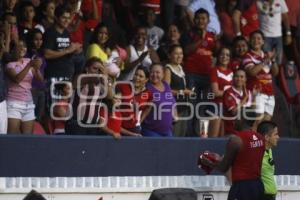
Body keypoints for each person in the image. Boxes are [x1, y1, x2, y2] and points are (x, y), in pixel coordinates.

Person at [200, 110, 265, 200]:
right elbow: (246, 159)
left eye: (237, 117)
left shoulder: (235, 140)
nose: (233, 120)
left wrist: (209, 162)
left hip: (241, 187)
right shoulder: (261, 139)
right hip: (258, 186)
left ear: (242, 120)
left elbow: (224, 167)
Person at [242, 30, 279, 130]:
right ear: (249, 41)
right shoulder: (247, 56)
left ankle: (263, 145)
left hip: (270, 94)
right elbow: (252, 72)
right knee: (257, 121)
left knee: (266, 124)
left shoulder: (266, 54)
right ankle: (252, 144)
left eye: (259, 38)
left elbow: (275, 72)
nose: (256, 41)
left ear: (263, 42)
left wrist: (273, 60)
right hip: (257, 93)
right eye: (253, 38)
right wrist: (265, 61)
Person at [6, 39, 43, 134]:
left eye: (24, 46)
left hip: (29, 104)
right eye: (19, 46)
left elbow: (40, 79)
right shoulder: (10, 65)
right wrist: (29, 65)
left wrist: (36, 67)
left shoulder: (28, 61)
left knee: (28, 138)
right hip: (13, 104)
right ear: (13, 50)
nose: (22, 48)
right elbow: (17, 79)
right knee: (12, 137)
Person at [164, 44, 193, 137]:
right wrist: (182, 92)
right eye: (176, 53)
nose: (179, 56)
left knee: (182, 135)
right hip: (174, 108)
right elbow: (166, 91)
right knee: (175, 136)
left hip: (183, 107)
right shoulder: (168, 69)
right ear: (169, 55)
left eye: (181, 53)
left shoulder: (180, 69)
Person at [141, 63, 176, 137]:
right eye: (152, 72)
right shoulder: (146, 87)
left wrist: (175, 115)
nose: (154, 75)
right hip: (151, 131)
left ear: (163, 75)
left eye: (157, 72)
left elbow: (172, 102)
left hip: (167, 131)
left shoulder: (166, 85)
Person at [118, 66, 152, 135]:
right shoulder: (123, 86)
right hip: (119, 126)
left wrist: (140, 121)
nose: (137, 78)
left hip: (134, 128)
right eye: (136, 74)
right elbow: (115, 102)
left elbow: (148, 107)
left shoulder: (148, 94)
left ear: (146, 79)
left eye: (141, 76)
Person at [208, 46, 233, 137]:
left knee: (223, 139)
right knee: (213, 139)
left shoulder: (232, 72)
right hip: (216, 106)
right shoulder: (214, 70)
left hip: (228, 108)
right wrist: (230, 93)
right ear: (218, 56)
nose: (224, 57)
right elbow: (215, 92)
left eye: (227, 55)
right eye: (222, 54)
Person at [223, 69, 253, 135]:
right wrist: (244, 99)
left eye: (242, 77)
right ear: (233, 78)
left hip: (246, 129)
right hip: (232, 130)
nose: (239, 79)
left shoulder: (248, 92)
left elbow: (251, 112)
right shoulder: (228, 92)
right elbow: (234, 112)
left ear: (245, 79)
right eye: (236, 76)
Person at [257, 121, 279, 200]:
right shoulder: (256, 154)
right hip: (262, 196)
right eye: (275, 134)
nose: (278, 137)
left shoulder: (269, 150)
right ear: (266, 137)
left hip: (271, 197)